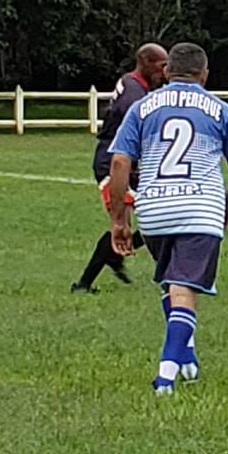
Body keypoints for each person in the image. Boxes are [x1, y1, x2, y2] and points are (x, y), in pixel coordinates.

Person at [106, 43, 228, 394]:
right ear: (204, 75)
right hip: (199, 210)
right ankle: (166, 376)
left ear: (167, 72)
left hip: (155, 209)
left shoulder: (143, 107)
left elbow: (119, 162)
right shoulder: (219, 110)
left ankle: (187, 358)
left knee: (171, 283)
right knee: (185, 289)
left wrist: (119, 219)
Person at [71, 42, 169, 292]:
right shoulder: (134, 98)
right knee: (126, 221)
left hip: (126, 163)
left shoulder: (133, 84)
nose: (165, 72)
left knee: (158, 217)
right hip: (113, 165)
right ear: (146, 63)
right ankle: (83, 284)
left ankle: (113, 259)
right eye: (161, 66)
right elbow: (131, 136)